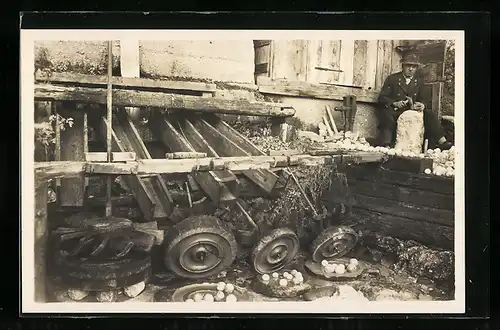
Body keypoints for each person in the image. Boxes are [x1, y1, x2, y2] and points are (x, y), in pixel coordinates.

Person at [375, 52, 453, 150]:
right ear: (403, 66)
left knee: (429, 114)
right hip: (395, 110)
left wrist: (421, 105)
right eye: (408, 66)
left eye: (414, 67)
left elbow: (424, 100)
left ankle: (442, 141)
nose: (411, 69)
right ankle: (386, 144)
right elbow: (382, 97)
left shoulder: (419, 81)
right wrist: (394, 103)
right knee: (387, 115)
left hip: (411, 110)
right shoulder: (392, 79)